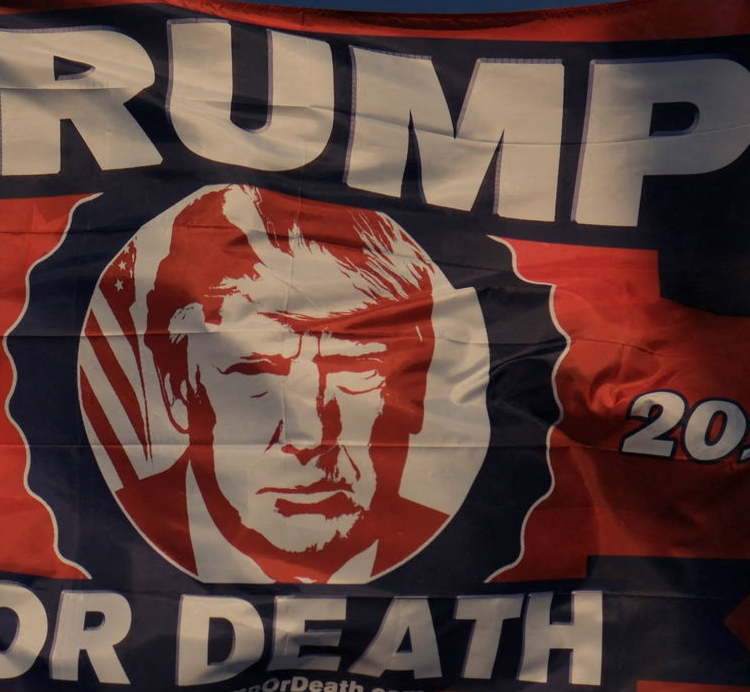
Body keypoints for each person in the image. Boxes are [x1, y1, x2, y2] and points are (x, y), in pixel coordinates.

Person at [97, 184, 471, 584]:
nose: (309, 437)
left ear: (420, 392)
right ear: (177, 391)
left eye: (354, 368)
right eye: (255, 371)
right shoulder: (105, 543)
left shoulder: (466, 559)